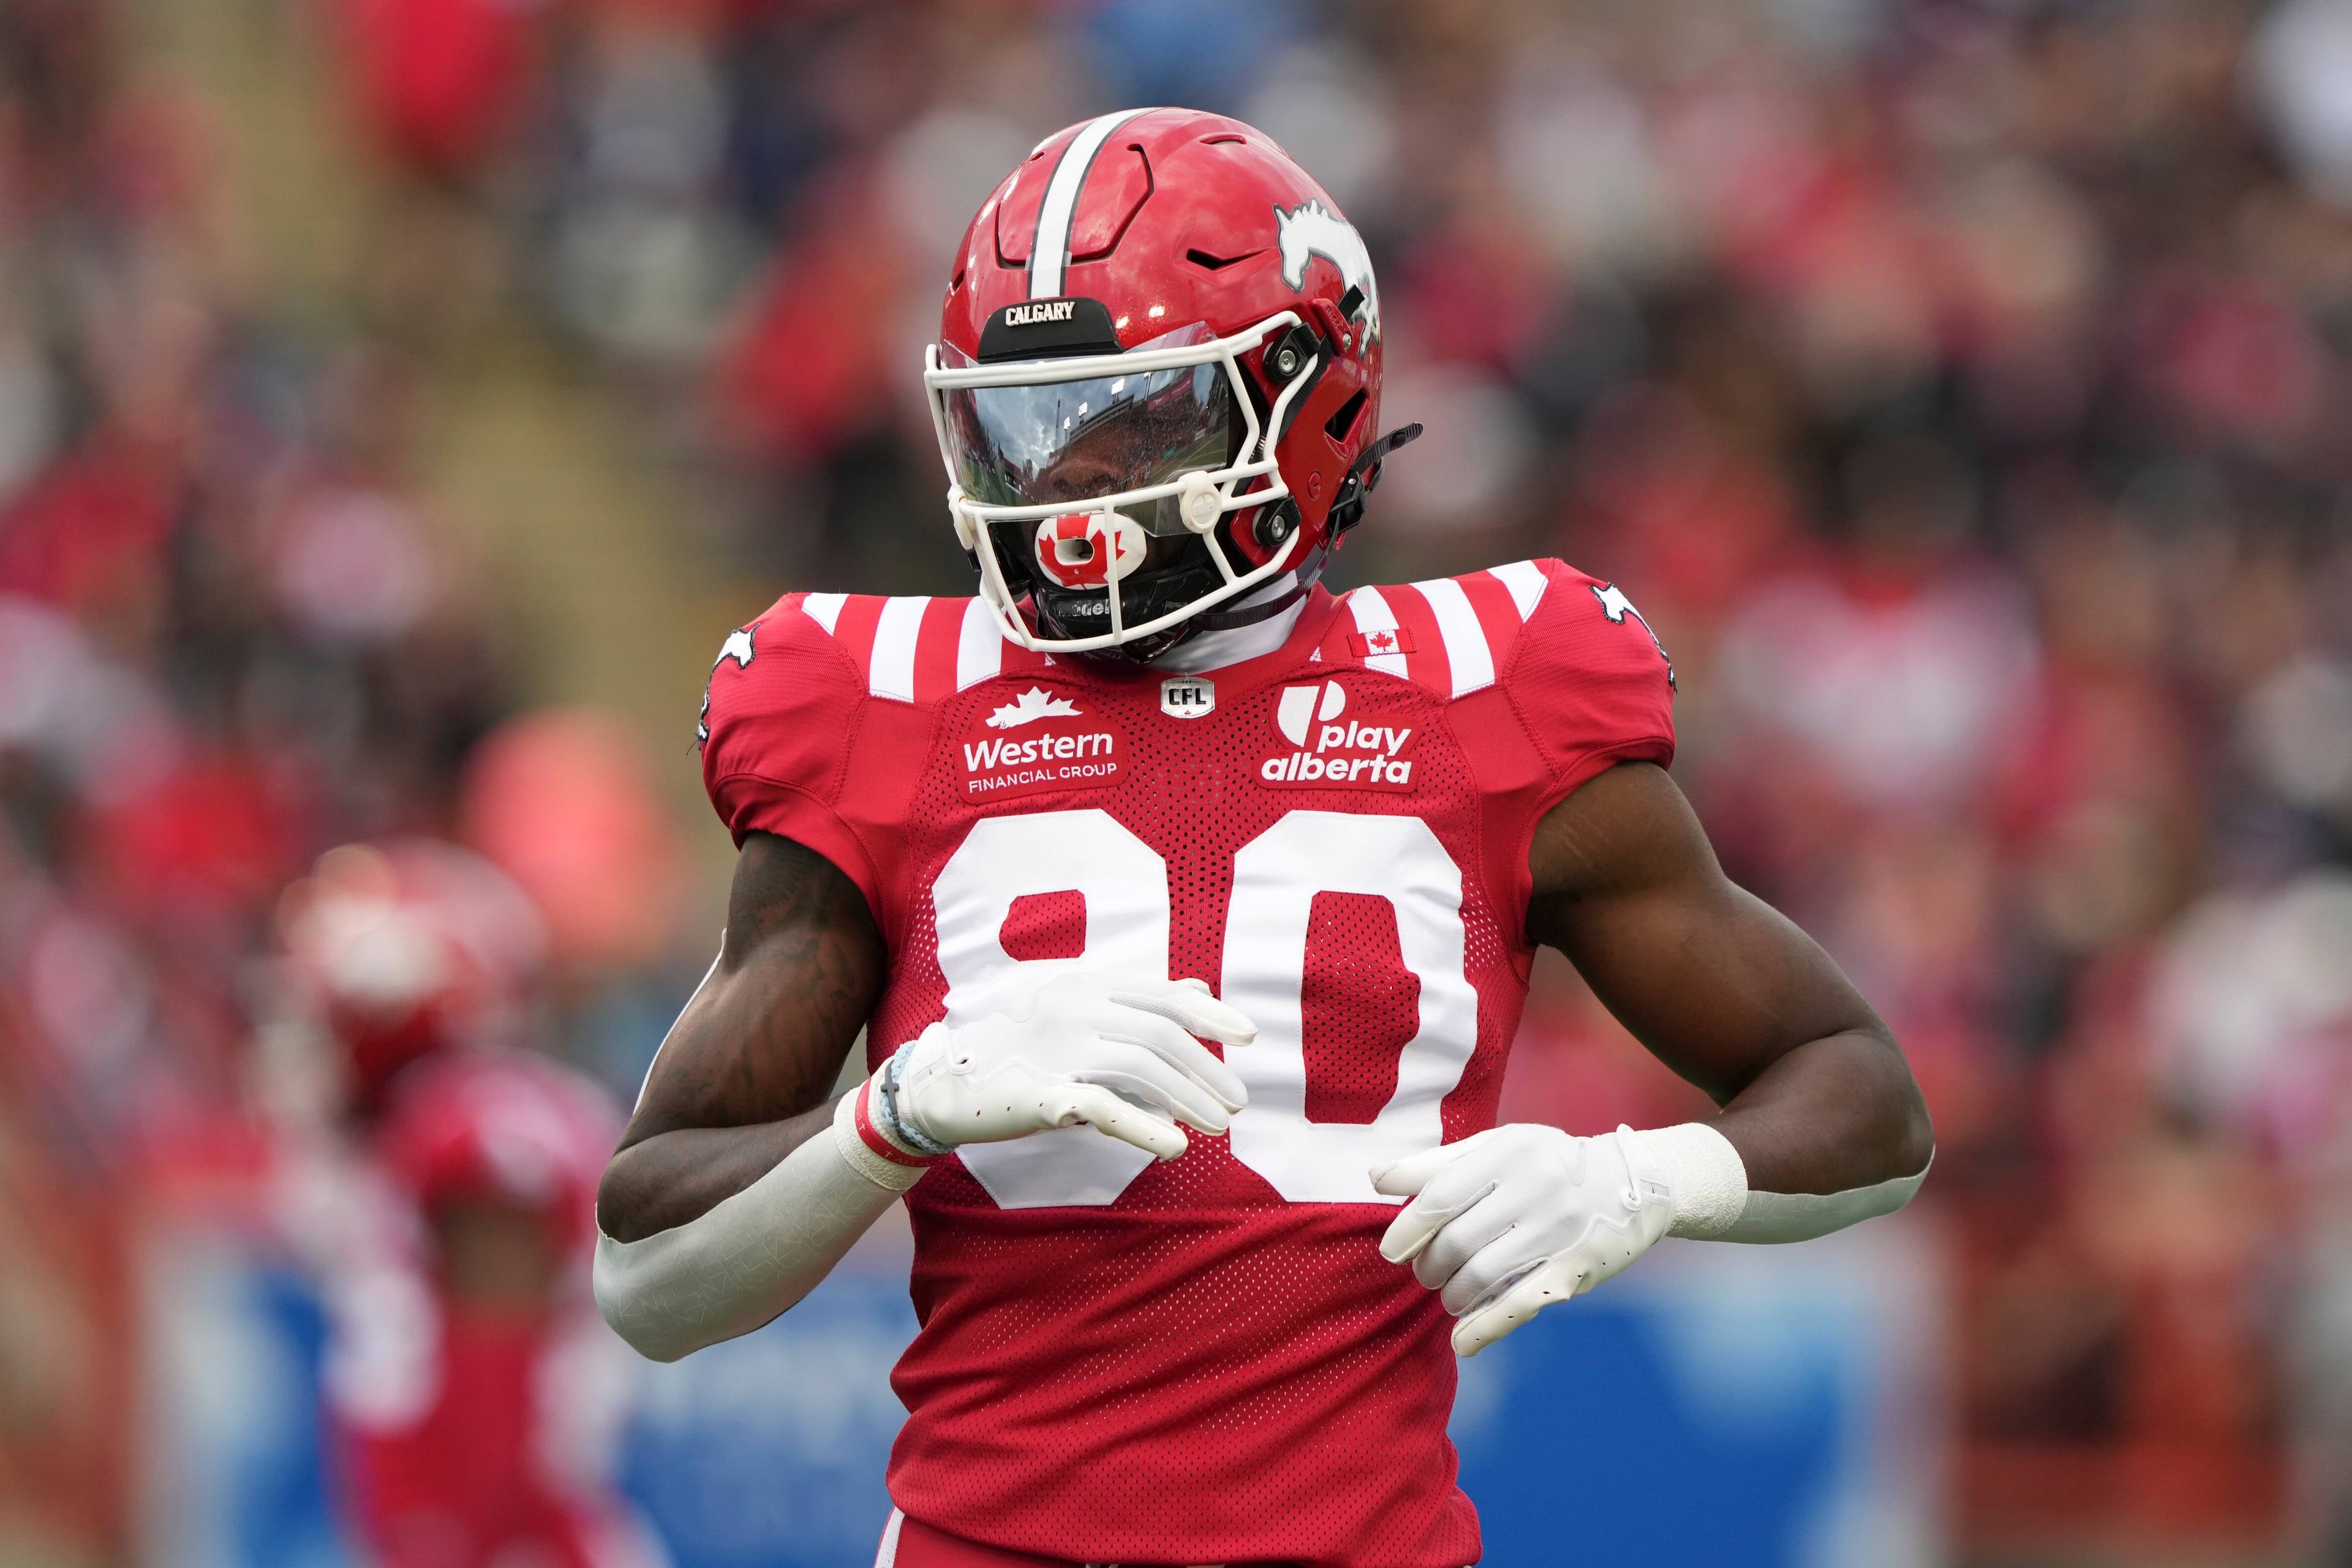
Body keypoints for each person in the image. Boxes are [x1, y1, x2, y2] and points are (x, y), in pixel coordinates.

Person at [592, 108, 1934, 1568]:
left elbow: (1865, 1098)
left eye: (1135, 420)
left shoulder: (1490, 687)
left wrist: (1641, 1179)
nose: (1068, 487)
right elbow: (644, 1278)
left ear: (1309, 399)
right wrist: (894, 1112)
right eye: (1024, 427)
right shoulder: (880, 706)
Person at [263, 840, 658, 1568]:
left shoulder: (471, 1128)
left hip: (508, 1540)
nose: (319, 1036)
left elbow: (497, 1372)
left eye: (338, 1008)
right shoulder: (414, 1132)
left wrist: (465, 1538)